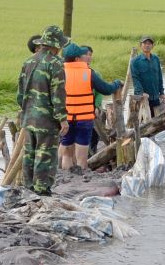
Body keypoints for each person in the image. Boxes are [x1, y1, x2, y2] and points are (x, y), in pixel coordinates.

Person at [16, 25, 69, 196]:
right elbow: (58, 94)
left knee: (29, 154)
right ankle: (41, 191)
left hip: (28, 118)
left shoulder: (28, 61)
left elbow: (20, 93)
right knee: (44, 155)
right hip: (46, 121)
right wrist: (62, 119)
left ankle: (28, 187)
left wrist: (25, 111)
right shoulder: (55, 64)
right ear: (56, 45)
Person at [60, 42, 122, 173]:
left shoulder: (59, 73)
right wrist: (116, 83)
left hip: (65, 119)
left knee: (66, 153)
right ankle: (81, 180)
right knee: (82, 156)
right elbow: (106, 89)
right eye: (82, 55)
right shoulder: (89, 73)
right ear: (77, 59)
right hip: (84, 119)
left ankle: (66, 178)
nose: (84, 57)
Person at [131, 35, 165, 118]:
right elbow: (136, 79)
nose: (147, 45)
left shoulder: (156, 59)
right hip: (143, 98)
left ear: (152, 46)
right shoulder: (135, 61)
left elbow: (159, 77)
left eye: (149, 43)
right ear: (140, 45)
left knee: (157, 120)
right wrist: (141, 93)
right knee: (144, 122)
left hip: (155, 97)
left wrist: (162, 92)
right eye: (145, 43)